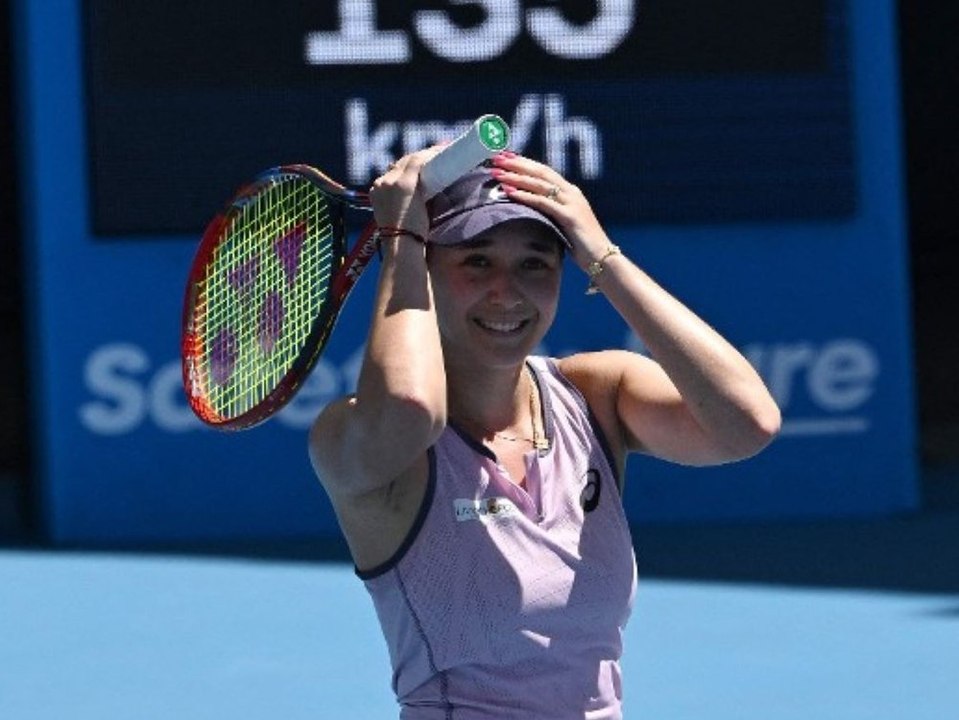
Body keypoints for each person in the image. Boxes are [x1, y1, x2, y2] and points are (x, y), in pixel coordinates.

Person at [308, 148, 781, 719]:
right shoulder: (358, 435)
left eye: (535, 264)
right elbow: (411, 407)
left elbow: (746, 424)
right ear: (427, 272)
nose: (507, 292)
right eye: (476, 262)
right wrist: (400, 246)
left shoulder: (596, 394)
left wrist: (602, 253)